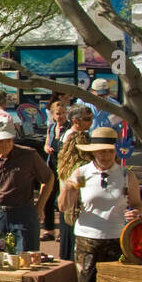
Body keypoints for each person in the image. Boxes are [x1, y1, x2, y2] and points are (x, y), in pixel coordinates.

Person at [58, 127, 142, 282]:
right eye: (99, 152)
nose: (104, 157)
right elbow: (63, 207)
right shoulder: (82, 172)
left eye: (108, 151)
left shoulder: (126, 175)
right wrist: (68, 187)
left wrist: (135, 213)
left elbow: (137, 204)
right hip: (87, 239)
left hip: (117, 240)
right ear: (92, 152)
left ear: (114, 150)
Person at [0, 116, 54, 251]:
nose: (5, 145)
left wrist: (40, 207)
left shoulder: (29, 155)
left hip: (23, 213)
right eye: (0, 141)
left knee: (27, 257)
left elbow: (49, 178)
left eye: (8, 140)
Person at [55, 103, 94, 260]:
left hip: (68, 208)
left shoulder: (67, 157)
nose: (90, 122)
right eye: (87, 119)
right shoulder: (80, 165)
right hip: (76, 208)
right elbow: (80, 185)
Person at [40, 99, 67, 241]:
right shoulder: (51, 127)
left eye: (63, 113)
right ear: (53, 115)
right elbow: (46, 143)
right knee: (48, 197)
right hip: (51, 166)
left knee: (62, 199)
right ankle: (49, 230)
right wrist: (47, 148)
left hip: (64, 168)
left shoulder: (69, 128)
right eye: (58, 113)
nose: (60, 116)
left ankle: (64, 231)